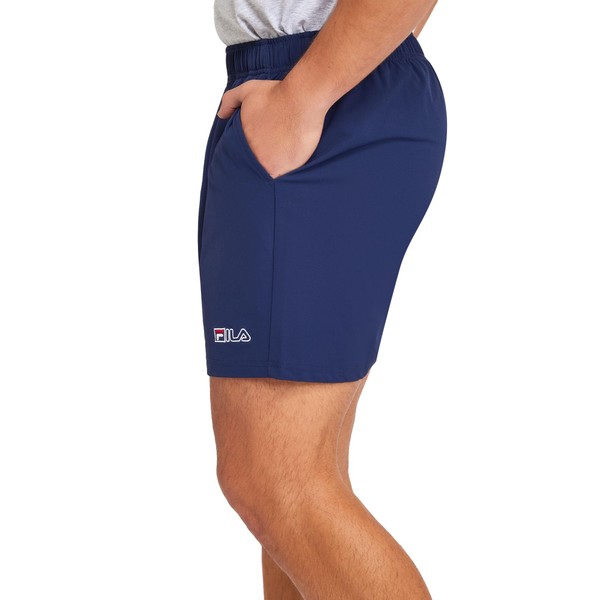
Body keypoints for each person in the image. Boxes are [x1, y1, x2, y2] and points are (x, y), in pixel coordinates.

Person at [197, 0, 446, 598]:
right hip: (326, 82)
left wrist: (305, 97)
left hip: (317, 91)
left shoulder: (308, 94)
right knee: (298, 487)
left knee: (274, 481)